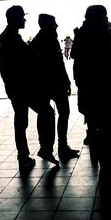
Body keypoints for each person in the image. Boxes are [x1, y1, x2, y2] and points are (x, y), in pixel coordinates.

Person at [71, 5, 111, 190]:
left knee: (103, 134)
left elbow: (80, 70)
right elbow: (108, 65)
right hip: (105, 93)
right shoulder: (100, 35)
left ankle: (108, 175)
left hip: (92, 94)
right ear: (100, 17)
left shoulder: (83, 35)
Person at [0, 5, 58, 171]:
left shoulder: (6, 37)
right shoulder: (12, 38)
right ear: (15, 18)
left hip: (15, 88)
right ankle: (41, 149)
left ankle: (25, 155)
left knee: (22, 121)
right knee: (45, 113)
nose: (24, 20)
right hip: (23, 88)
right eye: (22, 17)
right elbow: (28, 57)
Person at [29, 14, 79, 161]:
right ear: (47, 25)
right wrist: (66, 81)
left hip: (45, 84)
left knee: (46, 115)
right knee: (63, 113)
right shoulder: (50, 39)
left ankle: (47, 147)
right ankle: (59, 146)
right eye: (54, 23)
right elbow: (58, 64)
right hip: (55, 83)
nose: (56, 26)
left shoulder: (38, 41)